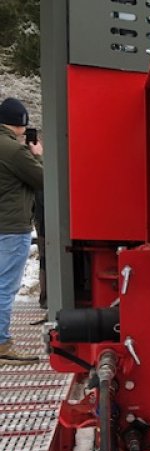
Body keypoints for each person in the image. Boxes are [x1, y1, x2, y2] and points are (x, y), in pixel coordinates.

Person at [0, 97, 43, 364]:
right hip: (12, 228)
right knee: (5, 287)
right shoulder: (14, 151)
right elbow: (42, 178)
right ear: (19, 123)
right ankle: (2, 346)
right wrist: (35, 154)